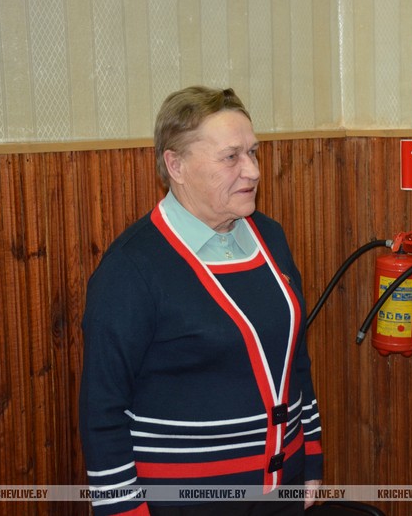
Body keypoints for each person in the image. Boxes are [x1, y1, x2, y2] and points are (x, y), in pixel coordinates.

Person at [79, 86, 323, 516]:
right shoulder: (132, 268)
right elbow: (103, 410)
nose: (252, 171)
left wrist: (312, 460)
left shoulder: (271, 238)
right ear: (176, 165)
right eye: (231, 157)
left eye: (253, 152)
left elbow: (294, 360)